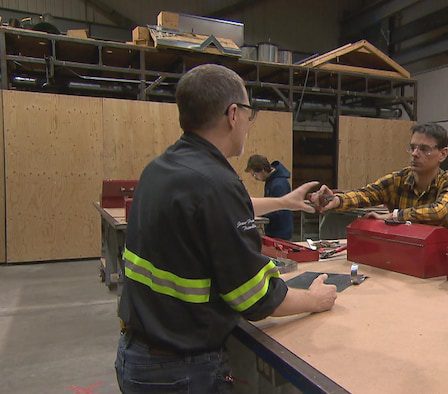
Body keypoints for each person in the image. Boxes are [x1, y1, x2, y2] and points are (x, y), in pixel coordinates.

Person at [115, 64, 337, 393]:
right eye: (249, 113)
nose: (248, 123)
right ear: (233, 114)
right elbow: (254, 298)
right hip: (182, 371)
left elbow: (207, 210)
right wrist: (315, 300)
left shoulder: (162, 168)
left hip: (137, 356)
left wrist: (283, 202)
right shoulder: (216, 183)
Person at [311, 123, 448, 231]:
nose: (415, 154)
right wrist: (336, 199)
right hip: (400, 254)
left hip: (437, 264)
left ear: (443, 154)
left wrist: (393, 216)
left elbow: (439, 211)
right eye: (412, 148)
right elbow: (366, 194)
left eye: (424, 149)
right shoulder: (398, 180)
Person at [245, 154, 294, 240]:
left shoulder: (279, 185)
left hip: (280, 233)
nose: (255, 178)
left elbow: (279, 210)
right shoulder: (271, 181)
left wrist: (261, 211)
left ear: (263, 170)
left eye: (255, 174)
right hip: (273, 230)